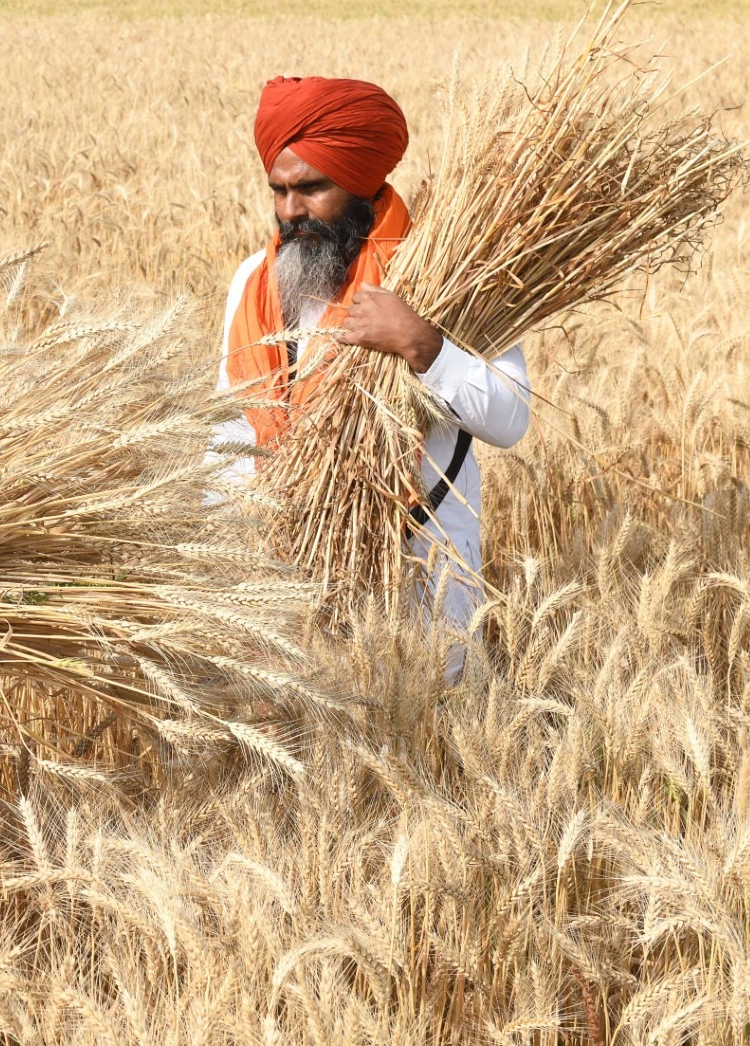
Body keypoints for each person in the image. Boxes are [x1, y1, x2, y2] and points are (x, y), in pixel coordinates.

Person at [208, 76, 532, 643]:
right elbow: (231, 428)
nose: (291, 211)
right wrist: (226, 559)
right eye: (278, 191)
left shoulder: (449, 276)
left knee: (431, 726)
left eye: (311, 188)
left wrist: (421, 344)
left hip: (421, 573)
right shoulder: (253, 284)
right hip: (283, 575)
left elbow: (509, 419)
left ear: (360, 183)